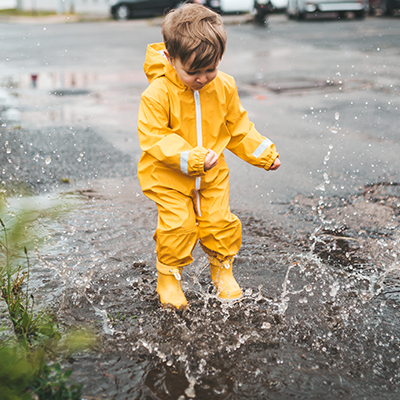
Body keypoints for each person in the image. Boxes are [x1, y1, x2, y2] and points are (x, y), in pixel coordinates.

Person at [137, 3, 281, 309]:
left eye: (210, 69)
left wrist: (263, 153)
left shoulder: (224, 86)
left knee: (219, 222)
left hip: (212, 175)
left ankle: (222, 271)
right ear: (170, 57)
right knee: (179, 226)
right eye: (193, 71)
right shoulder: (157, 93)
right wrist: (189, 157)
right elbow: (154, 138)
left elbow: (238, 127)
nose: (203, 78)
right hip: (169, 176)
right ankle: (169, 277)